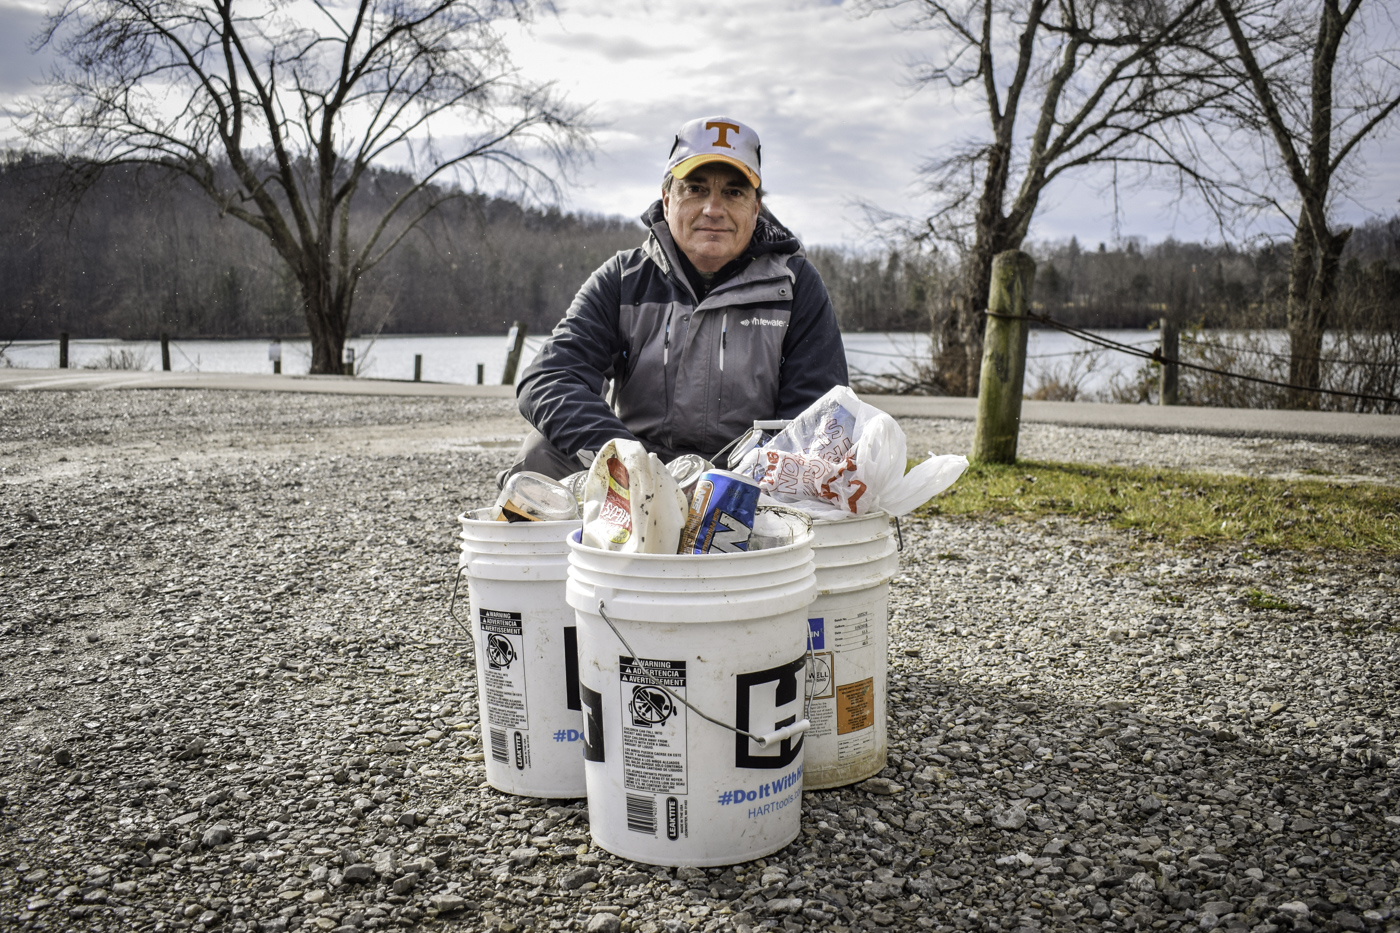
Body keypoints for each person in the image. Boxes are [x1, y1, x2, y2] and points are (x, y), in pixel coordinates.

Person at [505, 115, 848, 483]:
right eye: (696, 189)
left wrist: (742, 481)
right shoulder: (623, 279)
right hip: (637, 469)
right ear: (667, 199)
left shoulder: (796, 284)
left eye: (733, 192)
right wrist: (628, 459)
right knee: (539, 455)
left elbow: (820, 412)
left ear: (755, 207)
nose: (713, 209)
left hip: (749, 476)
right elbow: (551, 378)